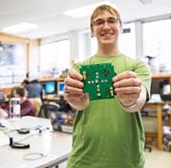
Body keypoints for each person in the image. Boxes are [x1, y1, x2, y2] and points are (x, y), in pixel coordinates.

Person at [64, 4, 151, 168]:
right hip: (83, 158)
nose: (105, 26)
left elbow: (138, 102)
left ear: (120, 26)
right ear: (91, 30)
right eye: (99, 22)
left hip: (126, 158)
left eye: (111, 20)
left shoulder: (137, 66)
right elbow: (79, 105)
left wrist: (130, 100)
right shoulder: (79, 69)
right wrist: (74, 98)